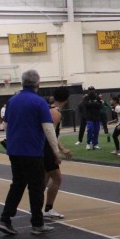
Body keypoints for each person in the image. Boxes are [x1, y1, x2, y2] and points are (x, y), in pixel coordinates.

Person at [0, 69, 61, 236]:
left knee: (17, 184)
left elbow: (5, 126)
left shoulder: (12, 101)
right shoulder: (39, 102)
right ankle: (37, 223)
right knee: (36, 187)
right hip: (32, 151)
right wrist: (56, 151)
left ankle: (5, 219)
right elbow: (48, 129)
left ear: (22, 82)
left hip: (14, 150)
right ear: (38, 84)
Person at [43, 87, 74, 219]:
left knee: (45, 179)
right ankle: (48, 209)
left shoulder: (49, 110)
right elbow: (51, 135)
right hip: (48, 149)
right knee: (57, 178)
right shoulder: (55, 113)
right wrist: (59, 151)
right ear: (66, 99)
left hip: (46, 148)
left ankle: (36, 207)